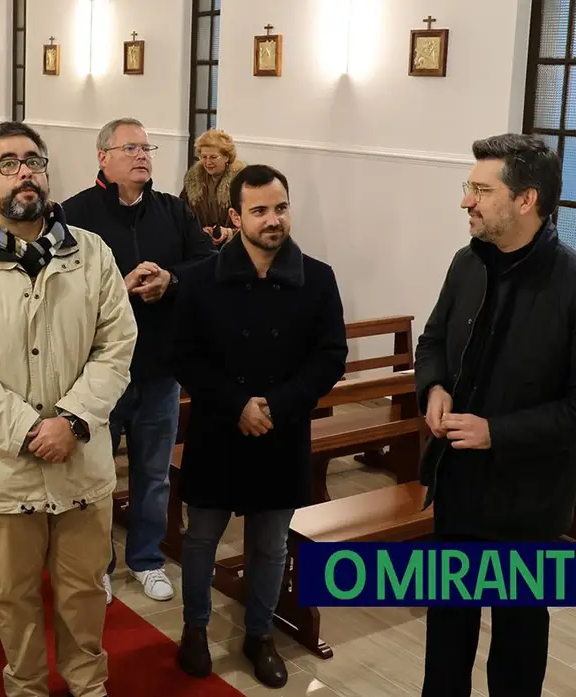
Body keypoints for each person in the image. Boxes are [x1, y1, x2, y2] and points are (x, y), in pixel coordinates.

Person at [0, 121, 137, 697]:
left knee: (85, 590)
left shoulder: (91, 254)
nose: (25, 173)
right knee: (14, 597)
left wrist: (71, 422)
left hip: (80, 463)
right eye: (9, 163)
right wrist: (27, 429)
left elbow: (116, 348)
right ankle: (26, 688)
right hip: (6, 467)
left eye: (34, 162)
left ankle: (88, 686)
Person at [415, 133, 576, 697]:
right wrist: (433, 386)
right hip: (458, 485)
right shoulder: (466, 264)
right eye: (470, 188)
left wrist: (497, 433)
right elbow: (433, 340)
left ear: (526, 200)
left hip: (527, 500)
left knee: (517, 644)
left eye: (481, 190)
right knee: (447, 637)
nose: (468, 201)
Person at [171, 164, 347, 687]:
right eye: (260, 211)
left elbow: (330, 356)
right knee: (202, 538)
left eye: (281, 208)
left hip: (282, 430)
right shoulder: (202, 278)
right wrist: (236, 404)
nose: (274, 220)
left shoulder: (317, 277)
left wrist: (276, 404)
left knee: (271, 544)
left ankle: (259, 633)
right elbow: (185, 356)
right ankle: (195, 629)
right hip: (218, 429)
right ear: (235, 216)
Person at [62, 117, 216, 604]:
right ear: (103, 157)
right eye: (130, 148)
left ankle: (146, 558)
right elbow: (59, 288)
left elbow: (209, 265)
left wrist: (170, 279)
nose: (142, 155)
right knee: (96, 476)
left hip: (159, 368)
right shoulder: (75, 214)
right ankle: (98, 563)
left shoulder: (173, 211)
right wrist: (118, 289)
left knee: (152, 475)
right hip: (98, 374)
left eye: (147, 147)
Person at [180, 129, 246, 245]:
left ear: (227, 157)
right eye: (204, 157)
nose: (208, 162)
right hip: (201, 245)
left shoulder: (242, 182)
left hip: (235, 247)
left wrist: (229, 233)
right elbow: (181, 214)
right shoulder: (193, 181)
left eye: (213, 157)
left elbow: (253, 223)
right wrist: (199, 230)